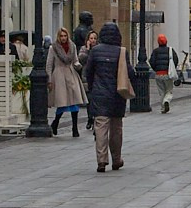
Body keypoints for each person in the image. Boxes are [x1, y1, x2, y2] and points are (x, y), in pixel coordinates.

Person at [84, 17, 131, 171]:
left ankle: (101, 160)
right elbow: (130, 72)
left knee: (101, 127)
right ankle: (116, 159)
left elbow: (88, 72)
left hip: (99, 94)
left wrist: (92, 88)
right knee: (116, 128)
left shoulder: (95, 51)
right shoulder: (122, 52)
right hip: (117, 94)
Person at [46, 24, 84, 140]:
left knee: (74, 101)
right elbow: (49, 64)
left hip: (70, 73)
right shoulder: (53, 48)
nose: (63, 38)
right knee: (62, 102)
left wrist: (78, 65)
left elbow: (75, 60)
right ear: (58, 36)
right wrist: (49, 79)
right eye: (61, 36)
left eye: (65, 36)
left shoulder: (72, 46)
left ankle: (75, 128)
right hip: (59, 75)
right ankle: (56, 123)